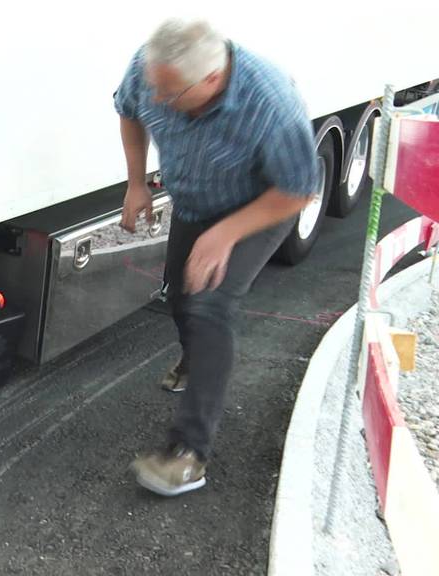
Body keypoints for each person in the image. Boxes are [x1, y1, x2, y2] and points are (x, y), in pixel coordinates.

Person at [114, 18, 318, 496]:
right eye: (155, 90)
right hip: (194, 202)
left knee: (209, 305)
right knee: (180, 297)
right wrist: (136, 183)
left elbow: (297, 190)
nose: (158, 102)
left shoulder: (270, 104)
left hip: (258, 208)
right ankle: (195, 359)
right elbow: (129, 111)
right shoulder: (152, 71)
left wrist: (227, 233)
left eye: (170, 96)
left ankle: (188, 454)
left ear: (210, 80)